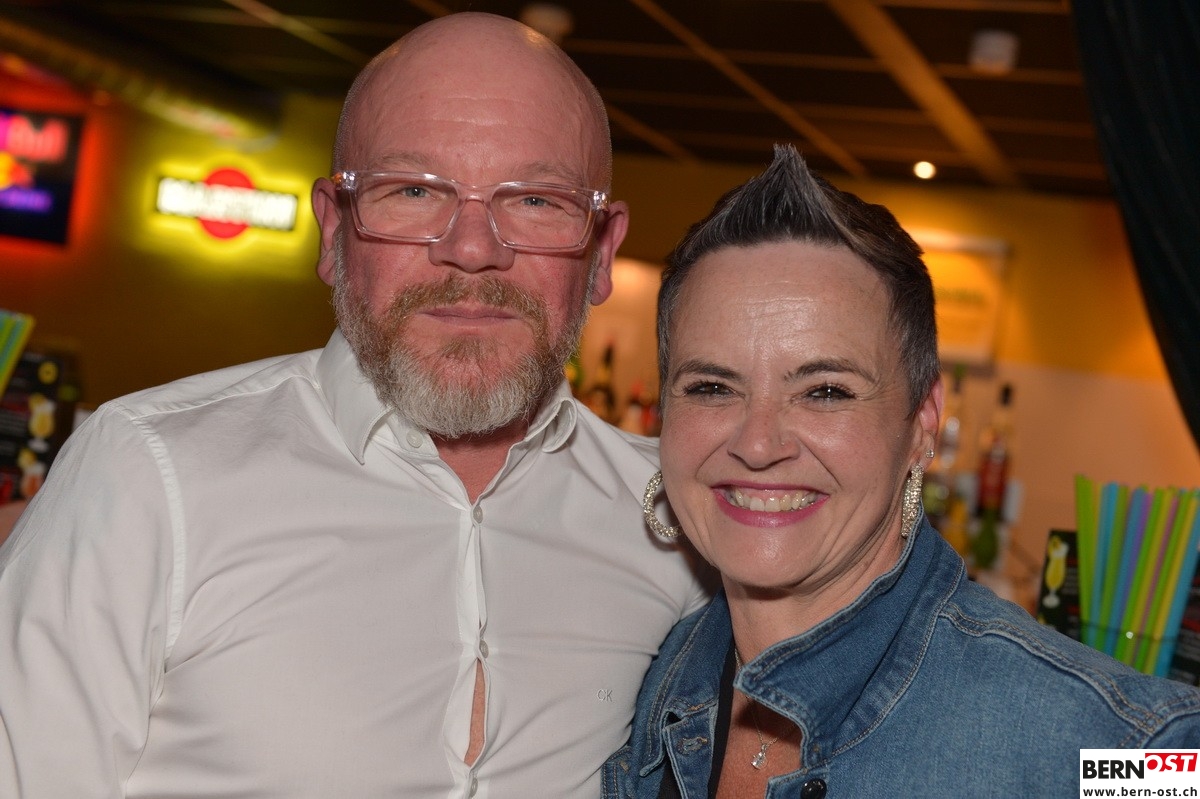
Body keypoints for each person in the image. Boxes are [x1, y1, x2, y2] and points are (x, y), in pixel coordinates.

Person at [0, 13, 710, 798]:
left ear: (601, 250)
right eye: (414, 191)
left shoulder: (679, 518)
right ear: (334, 231)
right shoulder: (148, 475)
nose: (473, 249)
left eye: (537, 200)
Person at [605, 145, 1200, 799]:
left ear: (923, 422)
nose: (758, 442)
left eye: (825, 390)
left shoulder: (1117, 749)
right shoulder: (645, 674)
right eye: (713, 386)